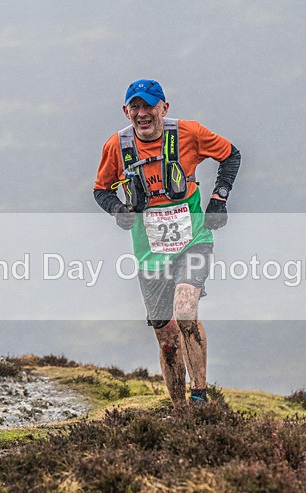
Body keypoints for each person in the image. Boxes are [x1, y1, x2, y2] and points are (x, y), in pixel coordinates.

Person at [93, 79, 241, 408]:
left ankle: (200, 398)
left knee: (185, 310)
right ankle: (180, 413)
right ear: (126, 110)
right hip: (149, 251)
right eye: (136, 107)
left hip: (193, 240)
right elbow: (101, 190)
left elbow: (231, 155)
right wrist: (118, 210)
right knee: (166, 338)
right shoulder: (116, 146)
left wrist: (220, 197)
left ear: (164, 107)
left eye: (149, 106)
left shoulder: (189, 133)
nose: (143, 113)